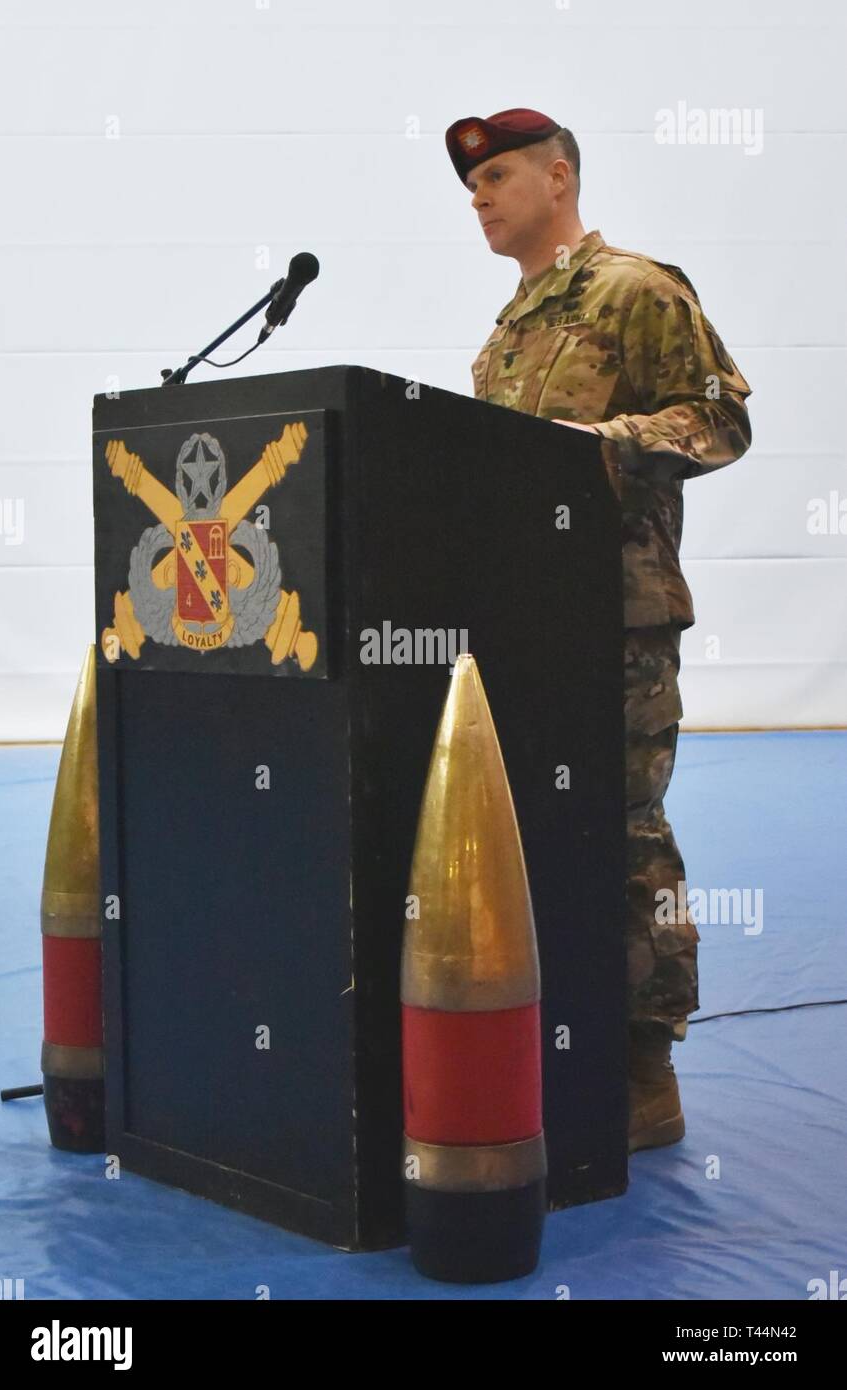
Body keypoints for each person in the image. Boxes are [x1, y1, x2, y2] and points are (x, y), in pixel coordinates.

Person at [446, 107, 752, 1152]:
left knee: (624, 833)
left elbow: (717, 417)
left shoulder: (635, 289)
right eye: (469, 186)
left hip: (617, 616)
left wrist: (601, 442)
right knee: (533, 833)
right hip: (520, 620)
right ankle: (557, 1043)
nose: (478, 197)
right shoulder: (505, 333)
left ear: (558, 177)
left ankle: (643, 1068)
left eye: (495, 177)